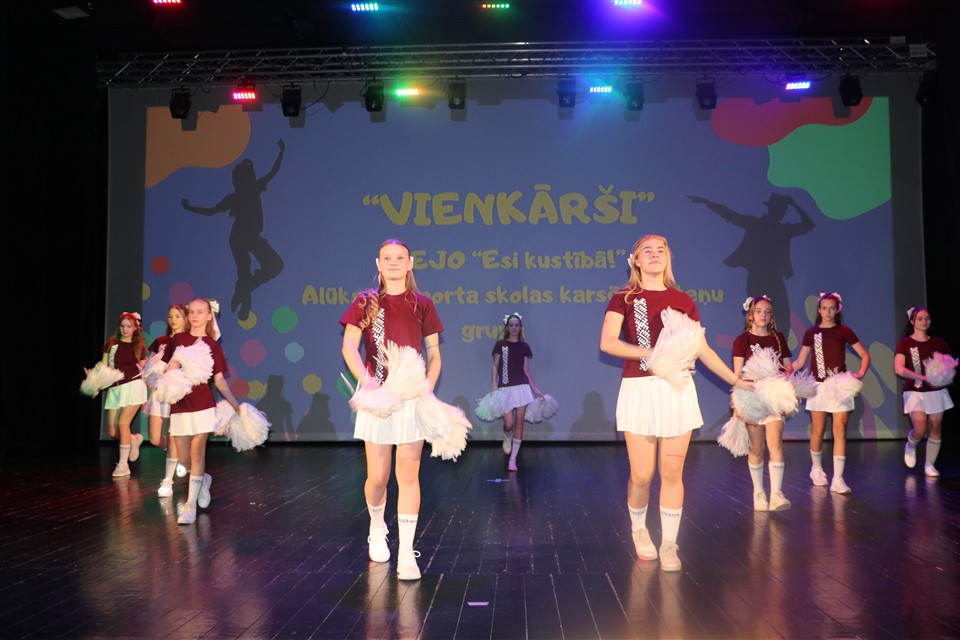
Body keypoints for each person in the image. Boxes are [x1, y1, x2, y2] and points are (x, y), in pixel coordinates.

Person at [599, 234, 750, 572]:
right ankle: (639, 530)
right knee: (642, 475)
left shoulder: (682, 300)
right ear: (636, 261)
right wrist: (654, 353)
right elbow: (608, 343)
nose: (654, 255)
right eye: (647, 251)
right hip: (639, 389)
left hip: (677, 390)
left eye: (661, 250)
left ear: (668, 259)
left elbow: (702, 349)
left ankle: (669, 543)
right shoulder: (624, 298)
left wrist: (737, 381)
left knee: (671, 472)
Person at [340, 238, 444, 581]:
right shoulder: (366, 302)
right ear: (378, 263)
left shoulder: (423, 304)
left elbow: (434, 354)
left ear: (410, 263)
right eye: (387, 257)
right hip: (378, 397)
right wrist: (367, 383)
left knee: (409, 473)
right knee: (378, 478)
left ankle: (406, 552)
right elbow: (350, 347)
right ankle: (376, 525)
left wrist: (426, 387)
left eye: (400, 257)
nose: (394, 262)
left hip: (412, 396)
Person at [181, 139, 286, 321]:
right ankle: (245, 300)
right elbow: (211, 211)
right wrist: (190, 208)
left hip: (248, 236)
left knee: (273, 266)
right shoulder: (239, 195)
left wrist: (281, 152)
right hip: (239, 237)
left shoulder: (252, 189)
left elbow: (273, 172)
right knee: (245, 270)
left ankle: (243, 290)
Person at [162, 298, 242, 525]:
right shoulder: (178, 340)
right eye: (192, 312)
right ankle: (204, 478)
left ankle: (190, 505)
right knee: (184, 459)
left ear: (209, 316)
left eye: (200, 312)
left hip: (203, 404)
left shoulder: (212, 345)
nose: (195, 315)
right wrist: (170, 369)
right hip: (180, 404)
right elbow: (166, 367)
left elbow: (219, 381)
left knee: (198, 452)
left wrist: (236, 405)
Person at [792, 292, 870, 494]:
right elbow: (801, 361)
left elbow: (864, 354)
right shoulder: (811, 333)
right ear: (819, 310)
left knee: (840, 430)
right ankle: (816, 469)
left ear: (837, 310)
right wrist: (788, 369)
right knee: (818, 430)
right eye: (824, 308)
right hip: (818, 387)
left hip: (839, 386)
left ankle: (838, 478)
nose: (828, 312)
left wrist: (860, 373)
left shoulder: (844, 331)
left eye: (831, 308)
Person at [731, 296, 793, 511]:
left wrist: (784, 377)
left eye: (767, 312)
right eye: (758, 311)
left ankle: (776, 494)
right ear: (750, 315)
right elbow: (737, 374)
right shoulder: (742, 340)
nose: (763, 315)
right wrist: (736, 403)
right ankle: (758, 492)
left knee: (775, 444)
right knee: (756, 447)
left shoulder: (778, 338)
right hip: (752, 397)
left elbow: (788, 366)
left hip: (773, 397)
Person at [894, 306, 954, 477]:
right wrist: (922, 377)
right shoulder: (905, 343)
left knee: (935, 426)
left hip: (936, 391)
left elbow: (950, 365)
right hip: (915, 391)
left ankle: (929, 464)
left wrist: (943, 375)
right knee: (920, 429)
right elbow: (899, 368)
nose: (924, 321)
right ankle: (911, 444)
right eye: (920, 318)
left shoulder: (939, 343)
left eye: (927, 318)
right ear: (912, 321)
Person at [482, 313, 545, 471]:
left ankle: (513, 460)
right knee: (509, 423)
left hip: (522, 387)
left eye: (517, 325)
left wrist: (536, 389)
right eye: (511, 325)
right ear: (507, 327)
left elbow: (526, 370)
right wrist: (494, 385)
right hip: (504, 387)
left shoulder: (524, 347)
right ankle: (506, 435)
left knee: (519, 424)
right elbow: (495, 366)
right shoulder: (501, 345)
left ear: (520, 327)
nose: (514, 328)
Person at [145, 303, 188, 497]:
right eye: (170, 316)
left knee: (173, 435)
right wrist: (151, 386)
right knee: (155, 438)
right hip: (159, 393)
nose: (173, 320)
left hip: (177, 393)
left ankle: (168, 481)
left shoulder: (188, 341)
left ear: (185, 318)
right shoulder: (161, 341)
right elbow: (150, 367)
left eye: (178, 316)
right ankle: (177, 455)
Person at [100, 312, 149, 478]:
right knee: (113, 432)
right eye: (123, 326)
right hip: (115, 388)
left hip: (133, 386)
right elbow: (104, 366)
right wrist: (95, 382)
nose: (125, 329)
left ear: (135, 328)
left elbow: (144, 368)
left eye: (129, 326)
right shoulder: (111, 343)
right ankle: (133, 439)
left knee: (123, 423)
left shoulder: (138, 346)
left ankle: (123, 465)